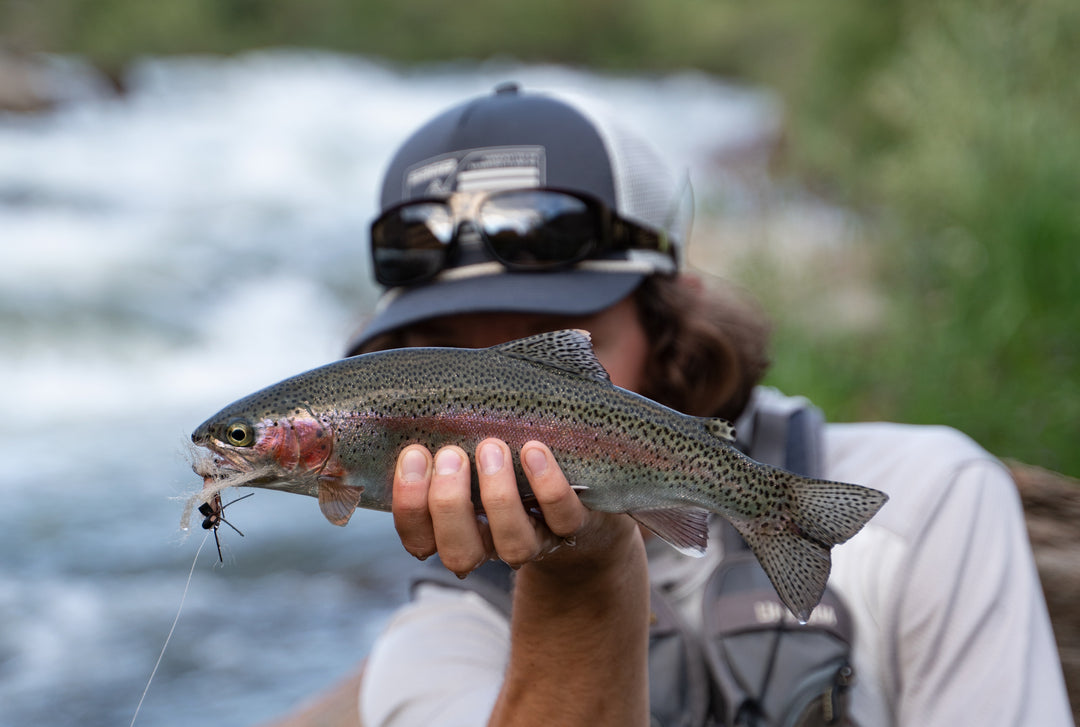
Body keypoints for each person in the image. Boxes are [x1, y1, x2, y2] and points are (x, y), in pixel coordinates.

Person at [276, 83, 1074, 726]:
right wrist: (578, 586)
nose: (497, 416)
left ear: (673, 316)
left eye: (542, 355)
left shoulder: (930, 495)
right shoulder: (442, 636)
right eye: (455, 353)